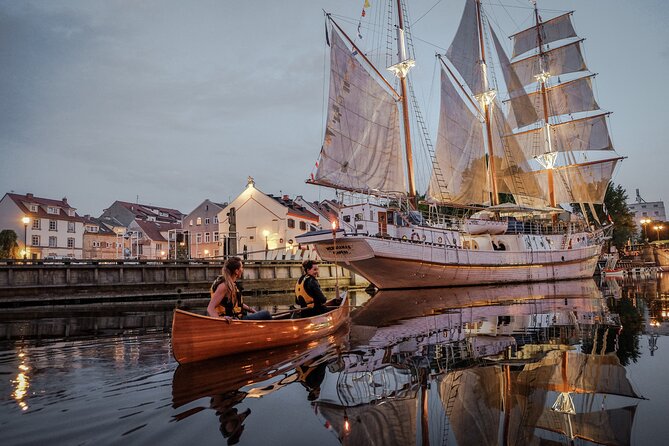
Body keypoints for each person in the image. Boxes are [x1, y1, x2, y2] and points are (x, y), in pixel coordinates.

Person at [207, 256, 272, 320]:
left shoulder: (232, 284)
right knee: (266, 314)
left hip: (238, 318)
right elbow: (210, 308)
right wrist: (220, 320)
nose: (242, 270)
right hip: (233, 321)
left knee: (262, 314)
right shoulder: (224, 286)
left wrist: (251, 310)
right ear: (236, 271)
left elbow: (238, 304)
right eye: (241, 267)